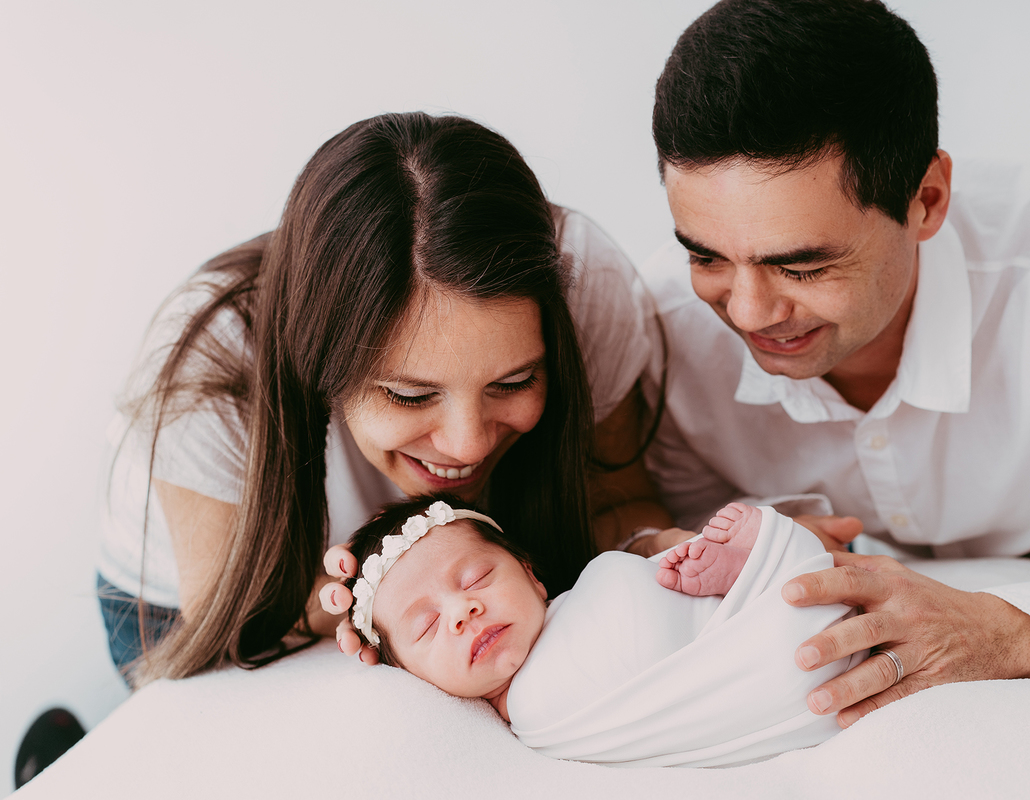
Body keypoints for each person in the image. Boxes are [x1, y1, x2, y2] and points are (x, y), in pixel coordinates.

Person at [641, 0, 1030, 729]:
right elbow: (684, 536)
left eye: (802, 266)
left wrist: (1003, 630)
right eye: (705, 255)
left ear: (926, 199)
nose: (745, 312)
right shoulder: (663, 330)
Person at [97, 111, 686, 686]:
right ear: (321, 358)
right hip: (182, 606)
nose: (469, 444)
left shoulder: (580, 280)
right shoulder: (213, 360)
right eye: (409, 395)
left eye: (513, 383)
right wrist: (363, 596)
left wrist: (658, 548)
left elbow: (621, 503)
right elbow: (234, 629)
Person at [340, 495, 866, 767]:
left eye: (477, 578)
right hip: (755, 670)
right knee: (802, 633)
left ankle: (742, 576)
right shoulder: (535, 712)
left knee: (624, 571)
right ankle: (764, 572)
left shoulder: (574, 603)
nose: (463, 610)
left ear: (531, 574)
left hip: (703, 620)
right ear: (411, 677)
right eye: (428, 626)